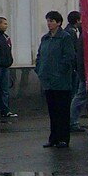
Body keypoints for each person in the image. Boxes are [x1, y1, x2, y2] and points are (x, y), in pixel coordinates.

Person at [35, 10, 76, 148]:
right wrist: (39, 69)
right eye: (48, 21)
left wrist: (60, 72)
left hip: (61, 81)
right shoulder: (45, 38)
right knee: (52, 111)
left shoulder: (65, 37)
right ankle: (53, 138)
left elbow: (69, 56)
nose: (49, 23)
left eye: (52, 21)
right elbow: (40, 55)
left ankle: (63, 138)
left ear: (58, 22)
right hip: (47, 80)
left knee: (62, 110)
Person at [66, 11, 87, 132]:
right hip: (80, 69)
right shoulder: (72, 33)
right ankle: (72, 121)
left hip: (79, 69)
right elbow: (74, 53)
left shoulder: (76, 33)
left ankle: (73, 120)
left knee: (79, 94)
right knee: (79, 95)